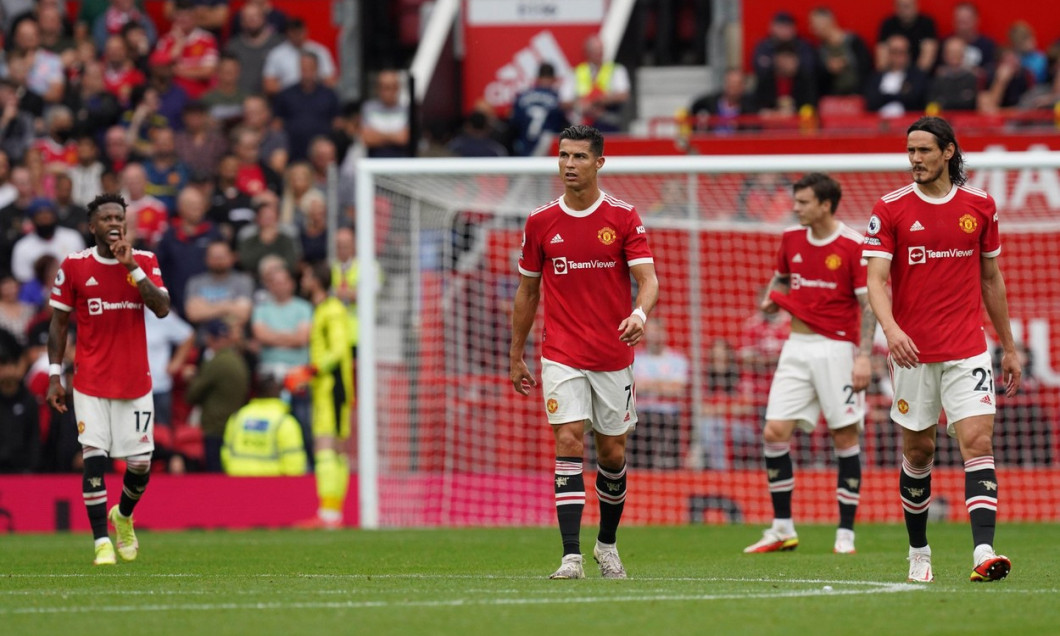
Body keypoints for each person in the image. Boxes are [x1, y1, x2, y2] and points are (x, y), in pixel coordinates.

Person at [862, 116, 1020, 583]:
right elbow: (875, 280)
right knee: (919, 451)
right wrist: (890, 331)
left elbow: (991, 278)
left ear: (949, 152)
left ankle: (983, 551)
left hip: (968, 348)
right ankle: (918, 550)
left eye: (924, 151)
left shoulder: (980, 206)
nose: (915, 159)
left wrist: (1008, 346)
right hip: (912, 353)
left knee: (978, 441)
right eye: (910, 151)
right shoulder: (889, 209)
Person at [509, 125, 658, 579]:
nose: (568, 164)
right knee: (568, 438)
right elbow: (527, 292)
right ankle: (570, 556)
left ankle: (606, 545)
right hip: (562, 352)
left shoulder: (623, 216)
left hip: (612, 355)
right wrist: (516, 353)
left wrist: (639, 315)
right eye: (563, 156)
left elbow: (648, 280)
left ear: (599, 163)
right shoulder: (540, 221)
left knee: (611, 453)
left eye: (578, 157)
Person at [742, 173, 876, 556]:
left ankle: (845, 532)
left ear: (825, 205)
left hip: (837, 349)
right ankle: (782, 528)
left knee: (844, 437)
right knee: (774, 431)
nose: (795, 208)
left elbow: (868, 304)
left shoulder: (852, 244)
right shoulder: (790, 239)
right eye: (795, 201)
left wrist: (864, 355)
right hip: (796, 346)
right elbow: (782, 279)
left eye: (802, 203)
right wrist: (773, 297)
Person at [46, 192, 171, 565]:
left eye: (119, 217)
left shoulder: (145, 260)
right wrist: (56, 374)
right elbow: (59, 323)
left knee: (140, 465)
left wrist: (132, 268)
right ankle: (102, 540)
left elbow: (162, 309)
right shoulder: (74, 266)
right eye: (106, 218)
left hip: (135, 381)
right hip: (91, 381)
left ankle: (124, 517)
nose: (114, 223)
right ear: (92, 226)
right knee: (94, 457)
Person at [294, 261, 353, 529]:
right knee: (335, 451)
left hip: (332, 388)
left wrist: (312, 370)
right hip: (328, 387)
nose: (303, 280)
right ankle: (332, 514)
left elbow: (340, 349)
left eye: (306, 275)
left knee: (326, 448)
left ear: (316, 280)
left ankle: (328, 515)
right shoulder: (325, 309)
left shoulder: (331, 310)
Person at [183, 318, 250, 471]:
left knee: (214, 473)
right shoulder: (238, 360)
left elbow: (193, 394)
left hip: (215, 427)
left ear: (211, 339)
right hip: (233, 425)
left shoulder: (216, 362)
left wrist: (191, 379)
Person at [221, 370, 307, 477]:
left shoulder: (238, 417)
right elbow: (294, 465)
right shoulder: (285, 422)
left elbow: (226, 453)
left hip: (237, 482)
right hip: (273, 486)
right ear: (277, 392)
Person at [572, 35, 631, 132]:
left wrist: (597, 101)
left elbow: (624, 95)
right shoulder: (577, 72)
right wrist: (580, 105)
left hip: (608, 122)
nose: (599, 54)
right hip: (583, 124)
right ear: (587, 53)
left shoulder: (616, 70)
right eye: (595, 52)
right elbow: (565, 101)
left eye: (601, 51)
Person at [510, 63, 569, 156]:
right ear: (554, 79)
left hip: (524, 145)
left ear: (537, 78)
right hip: (545, 147)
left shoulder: (522, 96)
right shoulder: (556, 98)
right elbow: (562, 124)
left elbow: (514, 122)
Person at [864, 34, 929, 117]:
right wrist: (899, 96)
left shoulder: (917, 77)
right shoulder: (876, 77)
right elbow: (871, 102)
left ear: (908, 54)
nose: (898, 56)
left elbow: (914, 100)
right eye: (894, 52)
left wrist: (886, 96)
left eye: (901, 52)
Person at [876, 0, 938, 73]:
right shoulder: (888, 25)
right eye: (901, 6)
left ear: (916, 5)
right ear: (896, 7)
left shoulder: (926, 24)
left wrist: (914, 77)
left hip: (918, 74)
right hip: (892, 72)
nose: (905, 10)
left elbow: (928, 56)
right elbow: (881, 58)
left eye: (908, 6)